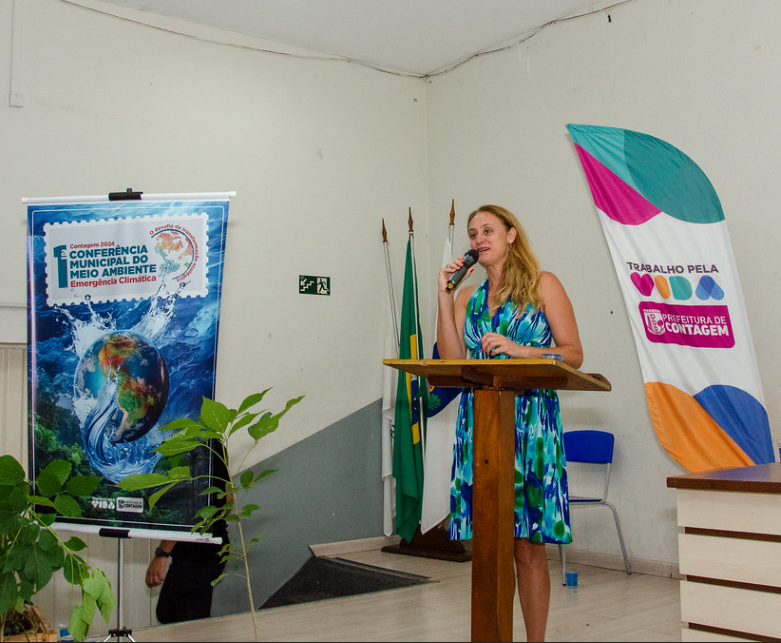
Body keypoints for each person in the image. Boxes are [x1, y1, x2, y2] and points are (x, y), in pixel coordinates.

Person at [437, 204, 583, 642]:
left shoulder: (543, 284)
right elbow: (450, 360)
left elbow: (573, 354)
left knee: (527, 545)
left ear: (511, 235)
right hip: (480, 423)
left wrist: (522, 351)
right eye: (472, 234)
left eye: (488, 230)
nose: (478, 239)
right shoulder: (468, 297)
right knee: (488, 545)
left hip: (531, 424)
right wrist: (444, 295)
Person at [145, 446, 231, 624]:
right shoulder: (214, 445)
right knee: (167, 613)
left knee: (190, 623)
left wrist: (162, 554)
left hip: (197, 554)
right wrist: (217, 525)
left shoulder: (190, 448)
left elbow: (183, 507)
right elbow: (228, 496)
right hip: (207, 548)